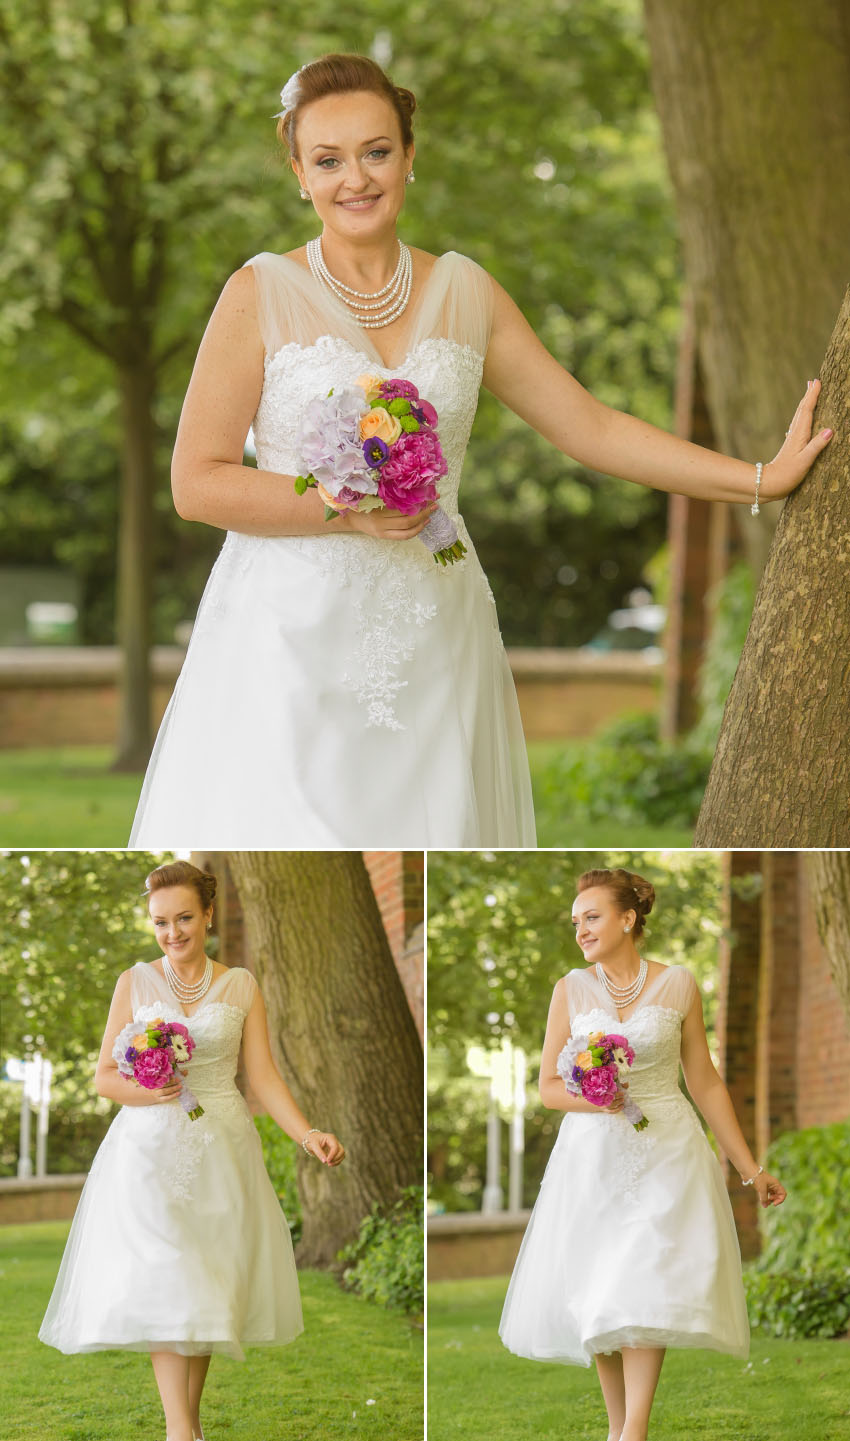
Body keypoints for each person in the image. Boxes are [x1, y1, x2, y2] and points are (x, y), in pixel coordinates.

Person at [129, 53, 832, 849]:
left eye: (376, 151)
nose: (354, 178)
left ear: (409, 157)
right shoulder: (257, 293)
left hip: (438, 631)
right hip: (288, 643)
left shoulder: (468, 293)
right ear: (299, 173)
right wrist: (341, 507)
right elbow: (196, 482)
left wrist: (760, 478)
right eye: (327, 160)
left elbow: (591, 428)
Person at [38, 860, 345, 1441]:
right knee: (168, 1276)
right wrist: (147, 1088)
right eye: (160, 922)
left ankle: (192, 1422)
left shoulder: (241, 986)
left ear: (208, 914)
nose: (172, 932)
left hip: (222, 1148)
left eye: (183, 918)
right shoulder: (134, 981)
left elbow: (261, 1075)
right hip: (147, 1154)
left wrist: (307, 1131)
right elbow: (104, 1077)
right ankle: (178, 1436)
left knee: (207, 1285)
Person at [498, 867, 786, 1441]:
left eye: (592, 917)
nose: (581, 930)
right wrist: (595, 1097)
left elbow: (702, 1079)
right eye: (575, 922)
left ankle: (634, 1439)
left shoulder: (679, 984)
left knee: (644, 1278)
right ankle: (615, 1430)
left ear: (628, 919)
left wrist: (748, 1167)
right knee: (599, 1293)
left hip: (667, 1151)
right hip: (592, 1157)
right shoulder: (569, 990)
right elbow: (550, 1087)